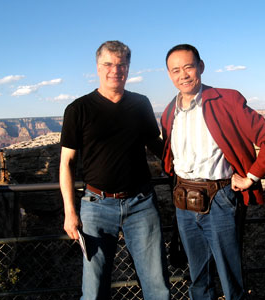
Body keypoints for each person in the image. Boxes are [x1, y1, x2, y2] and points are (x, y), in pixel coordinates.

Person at [161, 44, 265, 300]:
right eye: (175, 70)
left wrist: (251, 177)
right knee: (197, 276)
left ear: (200, 67)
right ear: (169, 75)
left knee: (230, 275)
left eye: (188, 67)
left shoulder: (226, 100)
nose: (183, 75)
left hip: (219, 199)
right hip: (183, 202)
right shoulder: (169, 112)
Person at [59, 40, 170, 300]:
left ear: (128, 68)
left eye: (121, 65)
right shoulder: (78, 109)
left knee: (157, 284)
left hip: (141, 203)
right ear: (97, 67)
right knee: (94, 288)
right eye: (108, 64)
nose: (115, 70)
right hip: (96, 206)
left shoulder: (140, 103)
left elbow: (158, 147)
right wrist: (69, 211)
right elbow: (67, 163)